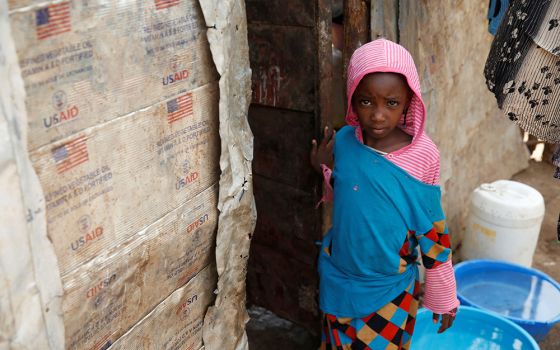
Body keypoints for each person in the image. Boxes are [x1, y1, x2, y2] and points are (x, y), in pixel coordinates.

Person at [310, 38, 459, 349]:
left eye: (391, 103)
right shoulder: (345, 142)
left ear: (408, 101)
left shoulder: (423, 156)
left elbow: (432, 230)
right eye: (366, 102)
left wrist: (443, 297)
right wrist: (324, 168)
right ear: (352, 98)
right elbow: (351, 196)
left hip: (388, 291)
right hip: (339, 277)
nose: (378, 115)